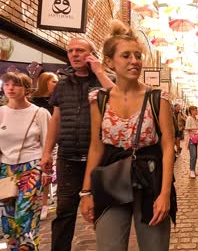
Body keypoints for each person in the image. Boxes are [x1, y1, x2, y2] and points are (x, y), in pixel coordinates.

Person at [79, 19, 175, 250]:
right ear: (109, 62)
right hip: (111, 178)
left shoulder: (157, 98)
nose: (134, 61)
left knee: (154, 246)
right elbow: (96, 147)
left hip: (149, 178)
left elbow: (168, 146)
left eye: (138, 55)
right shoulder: (99, 100)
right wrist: (85, 192)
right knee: (109, 246)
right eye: (126, 56)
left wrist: (165, 194)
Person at [39, 37, 114, 251]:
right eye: (71, 51)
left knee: (103, 210)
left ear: (91, 54)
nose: (74, 54)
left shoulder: (104, 79)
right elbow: (56, 119)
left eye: (80, 50)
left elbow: (120, 99)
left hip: (101, 158)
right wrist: (47, 152)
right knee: (64, 211)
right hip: (68, 157)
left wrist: (100, 72)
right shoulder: (62, 84)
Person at [0, 72, 51, 250]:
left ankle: (28, 247)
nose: (10, 88)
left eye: (16, 84)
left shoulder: (39, 113)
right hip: (5, 169)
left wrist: (46, 171)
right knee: (7, 218)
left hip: (32, 166)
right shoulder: (1, 113)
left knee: (25, 215)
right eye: (6, 84)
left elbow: (48, 144)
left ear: (27, 88)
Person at [30, 71, 59, 220]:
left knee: (46, 172)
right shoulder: (34, 102)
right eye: (53, 81)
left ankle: (45, 203)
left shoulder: (58, 100)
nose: (56, 83)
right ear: (45, 82)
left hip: (54, 139)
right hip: (36, 140)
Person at [185, 106, 198, 178]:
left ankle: (193, 169)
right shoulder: (189, 118)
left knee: (195, 155)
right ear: (191, 111)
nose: (196, 111)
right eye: (195, 110)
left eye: (196, 110)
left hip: (195, 138)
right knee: (193, 155)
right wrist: (196, 128)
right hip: (191, 139)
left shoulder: (195, 118)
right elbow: (187, 128)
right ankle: (191, 171)